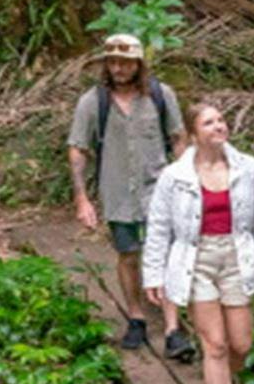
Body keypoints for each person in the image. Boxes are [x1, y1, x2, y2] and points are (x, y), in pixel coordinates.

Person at [141, 103, 254, 384]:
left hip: (238, 256)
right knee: (215, 344)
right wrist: (154, 274)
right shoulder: (174, 176)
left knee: (241, 343)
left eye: (221, 120)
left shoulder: (247, 167)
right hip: (196, 259)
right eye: (209, 123)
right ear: (194, 134)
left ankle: (223, 382)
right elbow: (159, 227)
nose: (219, 126)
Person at [66, 33, 194, 360]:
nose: (119, 68)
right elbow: (78, 149)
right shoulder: (93, 102)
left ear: (139, 64)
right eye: (113, 62)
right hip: (118, 190)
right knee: (128, 254)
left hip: (160, 190)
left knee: (165, 254)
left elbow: (178, 138)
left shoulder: (161, 96)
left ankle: (171, 327)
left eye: (125, 62)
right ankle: (136, 315)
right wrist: (82, 198)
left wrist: (186, 180)